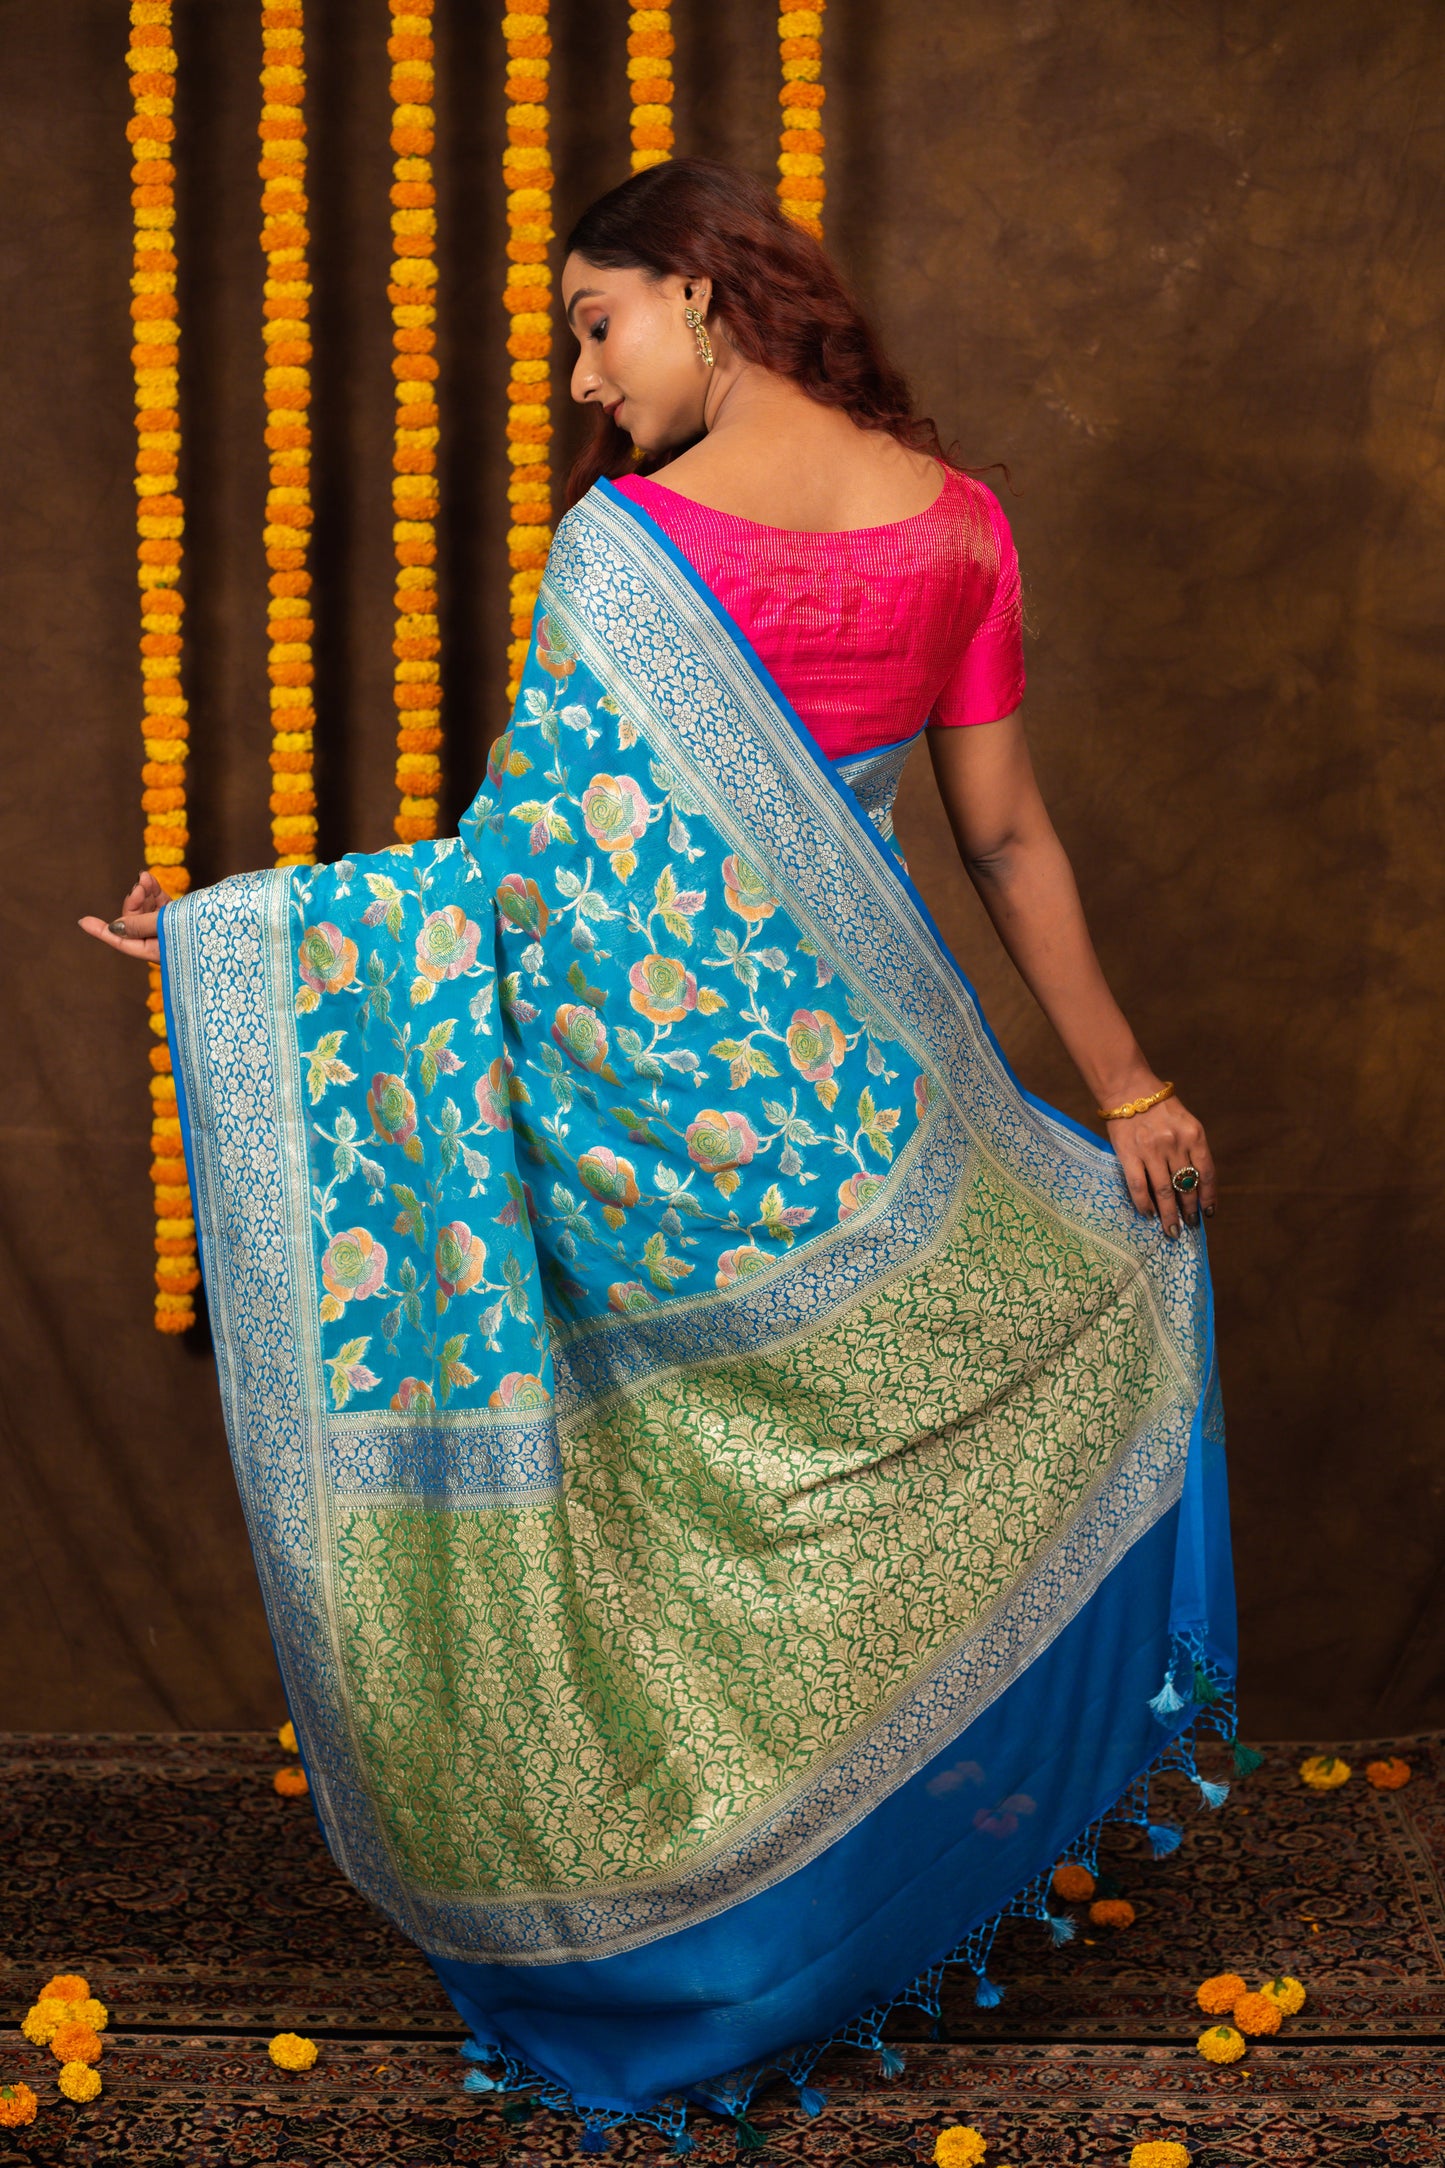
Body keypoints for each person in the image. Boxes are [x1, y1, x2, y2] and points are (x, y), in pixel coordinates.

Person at [82, 159, 1233, 2146]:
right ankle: (827, 1931)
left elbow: (513, 890)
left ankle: (712, 1949)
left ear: (703, 292)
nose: (584, 381)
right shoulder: (962, 526)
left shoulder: (626, 549)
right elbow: (1005, 837)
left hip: (664, 1158)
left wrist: (241, 939)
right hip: (872, 1141)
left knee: (691, 1534)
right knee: (861, 1508)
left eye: (596, 324)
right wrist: (1129, 1096)